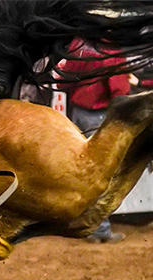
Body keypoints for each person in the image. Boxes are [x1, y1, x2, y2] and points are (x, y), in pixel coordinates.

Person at [59, 38, 135, 243]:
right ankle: (99, 229)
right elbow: (119, 90)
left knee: (81, 171)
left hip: (77, 113)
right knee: (102, 174)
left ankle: (81, 224)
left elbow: (63, 80)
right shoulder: (111, 49)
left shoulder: (78, 44)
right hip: (100, 116)